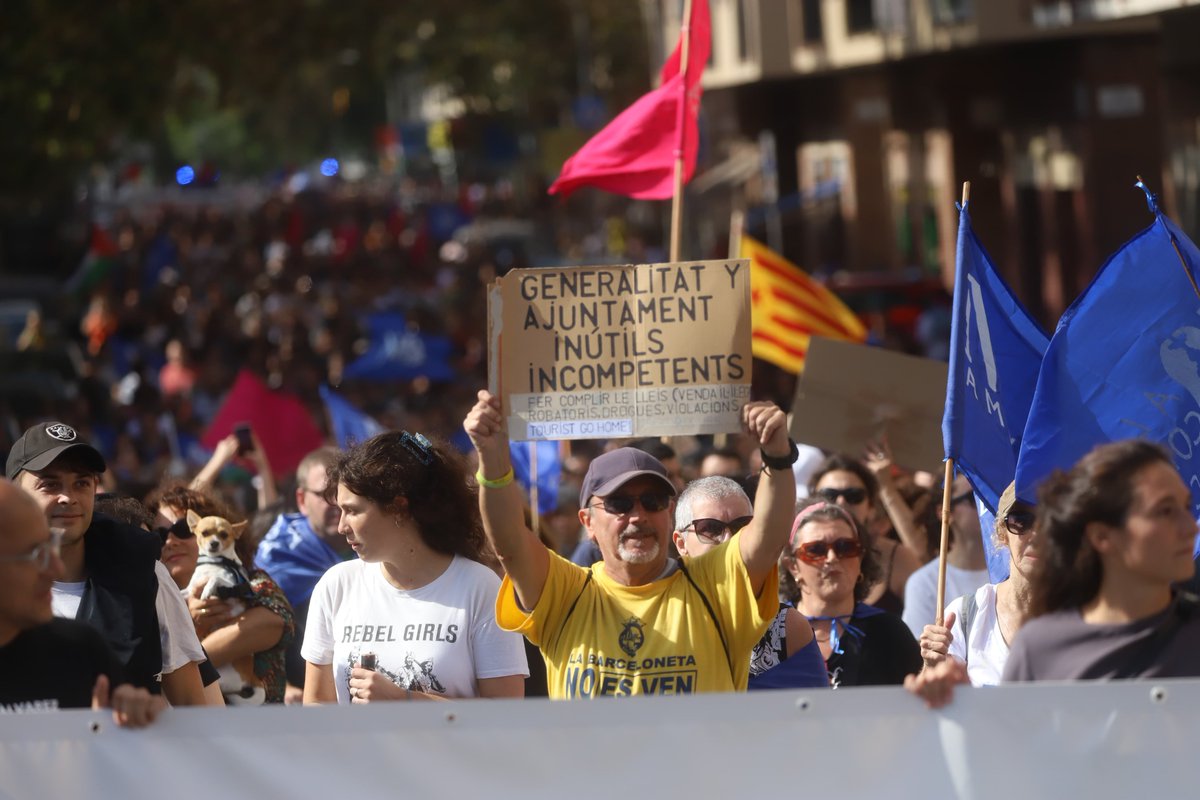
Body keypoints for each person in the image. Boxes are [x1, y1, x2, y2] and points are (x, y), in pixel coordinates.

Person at [465, 390, 798, 698]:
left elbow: (767, 539)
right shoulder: (566, 593)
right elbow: (509, 542)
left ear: (670, 512)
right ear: (588, 522)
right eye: (619, 504)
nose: (638, 515)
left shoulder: (714, 587)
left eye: (652, 501)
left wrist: (778, 456)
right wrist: (493, 459)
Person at [908, 441, 1200, 708]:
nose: (1191, 527)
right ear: (1101, 535)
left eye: (1186, 508)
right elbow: (1015, 755)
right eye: (1021, 520)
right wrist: (954, 702)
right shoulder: (1038, 646)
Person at [302, 430, 527, 704]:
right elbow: (315, 707)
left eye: (353, 511)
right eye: (341, 510)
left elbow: (505, 716)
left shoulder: (481, 587)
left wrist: (404, 700)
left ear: (399, 508)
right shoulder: (335, 585)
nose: (341, 527)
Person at [7, 422, 208, 705]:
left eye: (82, 483)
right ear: (15, 493)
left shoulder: (147, 575)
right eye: (50, 484)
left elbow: (194, 710)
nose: (68, 497)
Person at [0, 479, 166, 727]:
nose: (54, 568)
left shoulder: (80, 648)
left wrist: (127, 722)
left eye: (51, 548)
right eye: (36, 555)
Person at [670, 476, 828, 689]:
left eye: (741, 526)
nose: (728, 540)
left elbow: (811, 716)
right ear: (681, 544)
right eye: (710, 528)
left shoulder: (786, 630)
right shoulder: (657, 619)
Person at [148, 484, 295, 704]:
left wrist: (184, 661)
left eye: (182, 529)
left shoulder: (249, 579)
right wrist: (187, 622)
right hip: (193, 730)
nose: (170, 541)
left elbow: (274, 623)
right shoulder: (149, 597)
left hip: (261, 727)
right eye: (160, 534)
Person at [783, 497, 921, 687]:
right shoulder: (772, 633)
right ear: (792, 566)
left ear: (861, 559)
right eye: (815, 550)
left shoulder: (889, 632)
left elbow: (918, 707)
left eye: (845, 547)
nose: (831, 558)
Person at [916, 482, 1038, 685]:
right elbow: (931, 706)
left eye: (1050, 522)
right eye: (1022, 521)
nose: (1036, 534)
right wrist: (931, 667)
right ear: (1002, 533)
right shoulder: (965, 615)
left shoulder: (1084, 615)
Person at [254, 446, 347, 701]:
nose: (338, 503)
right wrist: (278, 687)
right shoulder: (278, 557)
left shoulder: (373, 552)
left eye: (343, 493)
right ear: (302, 500)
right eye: (326, 494)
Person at [809, 454, 921, 614]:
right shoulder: (795, 553)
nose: (841, 502)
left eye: (854, 496)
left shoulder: (899, 558)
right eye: (829, 495)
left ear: (871, 507)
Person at [901, 474, 989, 637]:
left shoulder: (1013, 571)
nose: (985, 504)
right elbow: (920, 656)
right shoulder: (923, 583)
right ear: (944, 512)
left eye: (988, 494)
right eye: (974, 497)